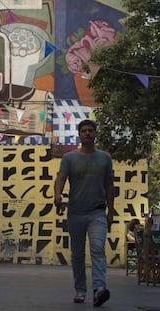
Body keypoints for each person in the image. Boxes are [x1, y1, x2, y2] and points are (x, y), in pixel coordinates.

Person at [54, 119, 115, 307]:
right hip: (75, 212)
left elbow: (109, 185)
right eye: (84, 131)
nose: (87, 133)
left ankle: (99, 289)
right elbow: (61, 177)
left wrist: (111, 211)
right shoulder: (69, 158)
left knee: (97, 248)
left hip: (97, 212)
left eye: (90, 130)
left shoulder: (105, 158)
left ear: (95, 134)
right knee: (77, 254)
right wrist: (57, 195)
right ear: (79, 134)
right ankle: (80, 290)